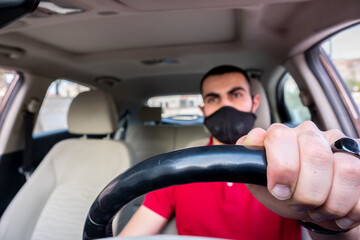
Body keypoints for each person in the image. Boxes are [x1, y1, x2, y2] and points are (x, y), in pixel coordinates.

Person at [119, 65, 360, 240]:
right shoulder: (176, 167)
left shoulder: (291, 163)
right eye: (214, 98)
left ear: (254, 103)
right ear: (204, 110)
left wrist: (333, 215)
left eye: (235, 95)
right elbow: (133, 234)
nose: (225, 106)